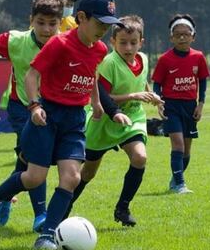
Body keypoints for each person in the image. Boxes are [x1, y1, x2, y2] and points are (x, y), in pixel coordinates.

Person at [0, 0, 126, 250]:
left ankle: (47, 235)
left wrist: (96, 101)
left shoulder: (100, 49)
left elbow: (90, 75)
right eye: (100, 23)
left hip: (75, 120)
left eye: (108, 25)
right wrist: (34, 106)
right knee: (34, 177)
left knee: (72, 177)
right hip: (49, 115)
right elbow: (32, 76)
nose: (103, 30)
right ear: (81, 17)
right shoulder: (60, 44)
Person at [0, 0, 65, 232]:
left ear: (60, 23)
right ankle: (41, 216)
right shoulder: (16, 40)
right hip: (21, 107)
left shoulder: (66, 44)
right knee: (36, 157)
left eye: (52, 24)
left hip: (52, 109)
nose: (46, 29)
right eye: (40, 22)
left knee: (27, 158)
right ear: (30, 19)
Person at [64, 15, 164, 226]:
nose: (128, 48)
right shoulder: (109, 63)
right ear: (113, 42)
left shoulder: (143, 59)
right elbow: (102, 98)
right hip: (105, 121)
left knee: (140, 158)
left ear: (141, 42)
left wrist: (152, 96)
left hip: (132, 118)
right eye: (123, 43)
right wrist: (133, 96)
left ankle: (122, 208)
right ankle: (63, 209)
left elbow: (141, 80)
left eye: (133, 43)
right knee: (88, 173)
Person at [152, 14, 210, 194]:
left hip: (190, 106)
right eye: (178, 35)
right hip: (171, 105)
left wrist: (200, 104)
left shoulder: (199, 57)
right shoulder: (165, 59)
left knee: (186, 149)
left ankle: (175, 179)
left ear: (193, 36)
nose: (182, 38)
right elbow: (157, 84)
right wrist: (159, 103)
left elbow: (203, 81)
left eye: (186, 34)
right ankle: (180, 184)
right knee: (177, 145)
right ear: (171, 38)